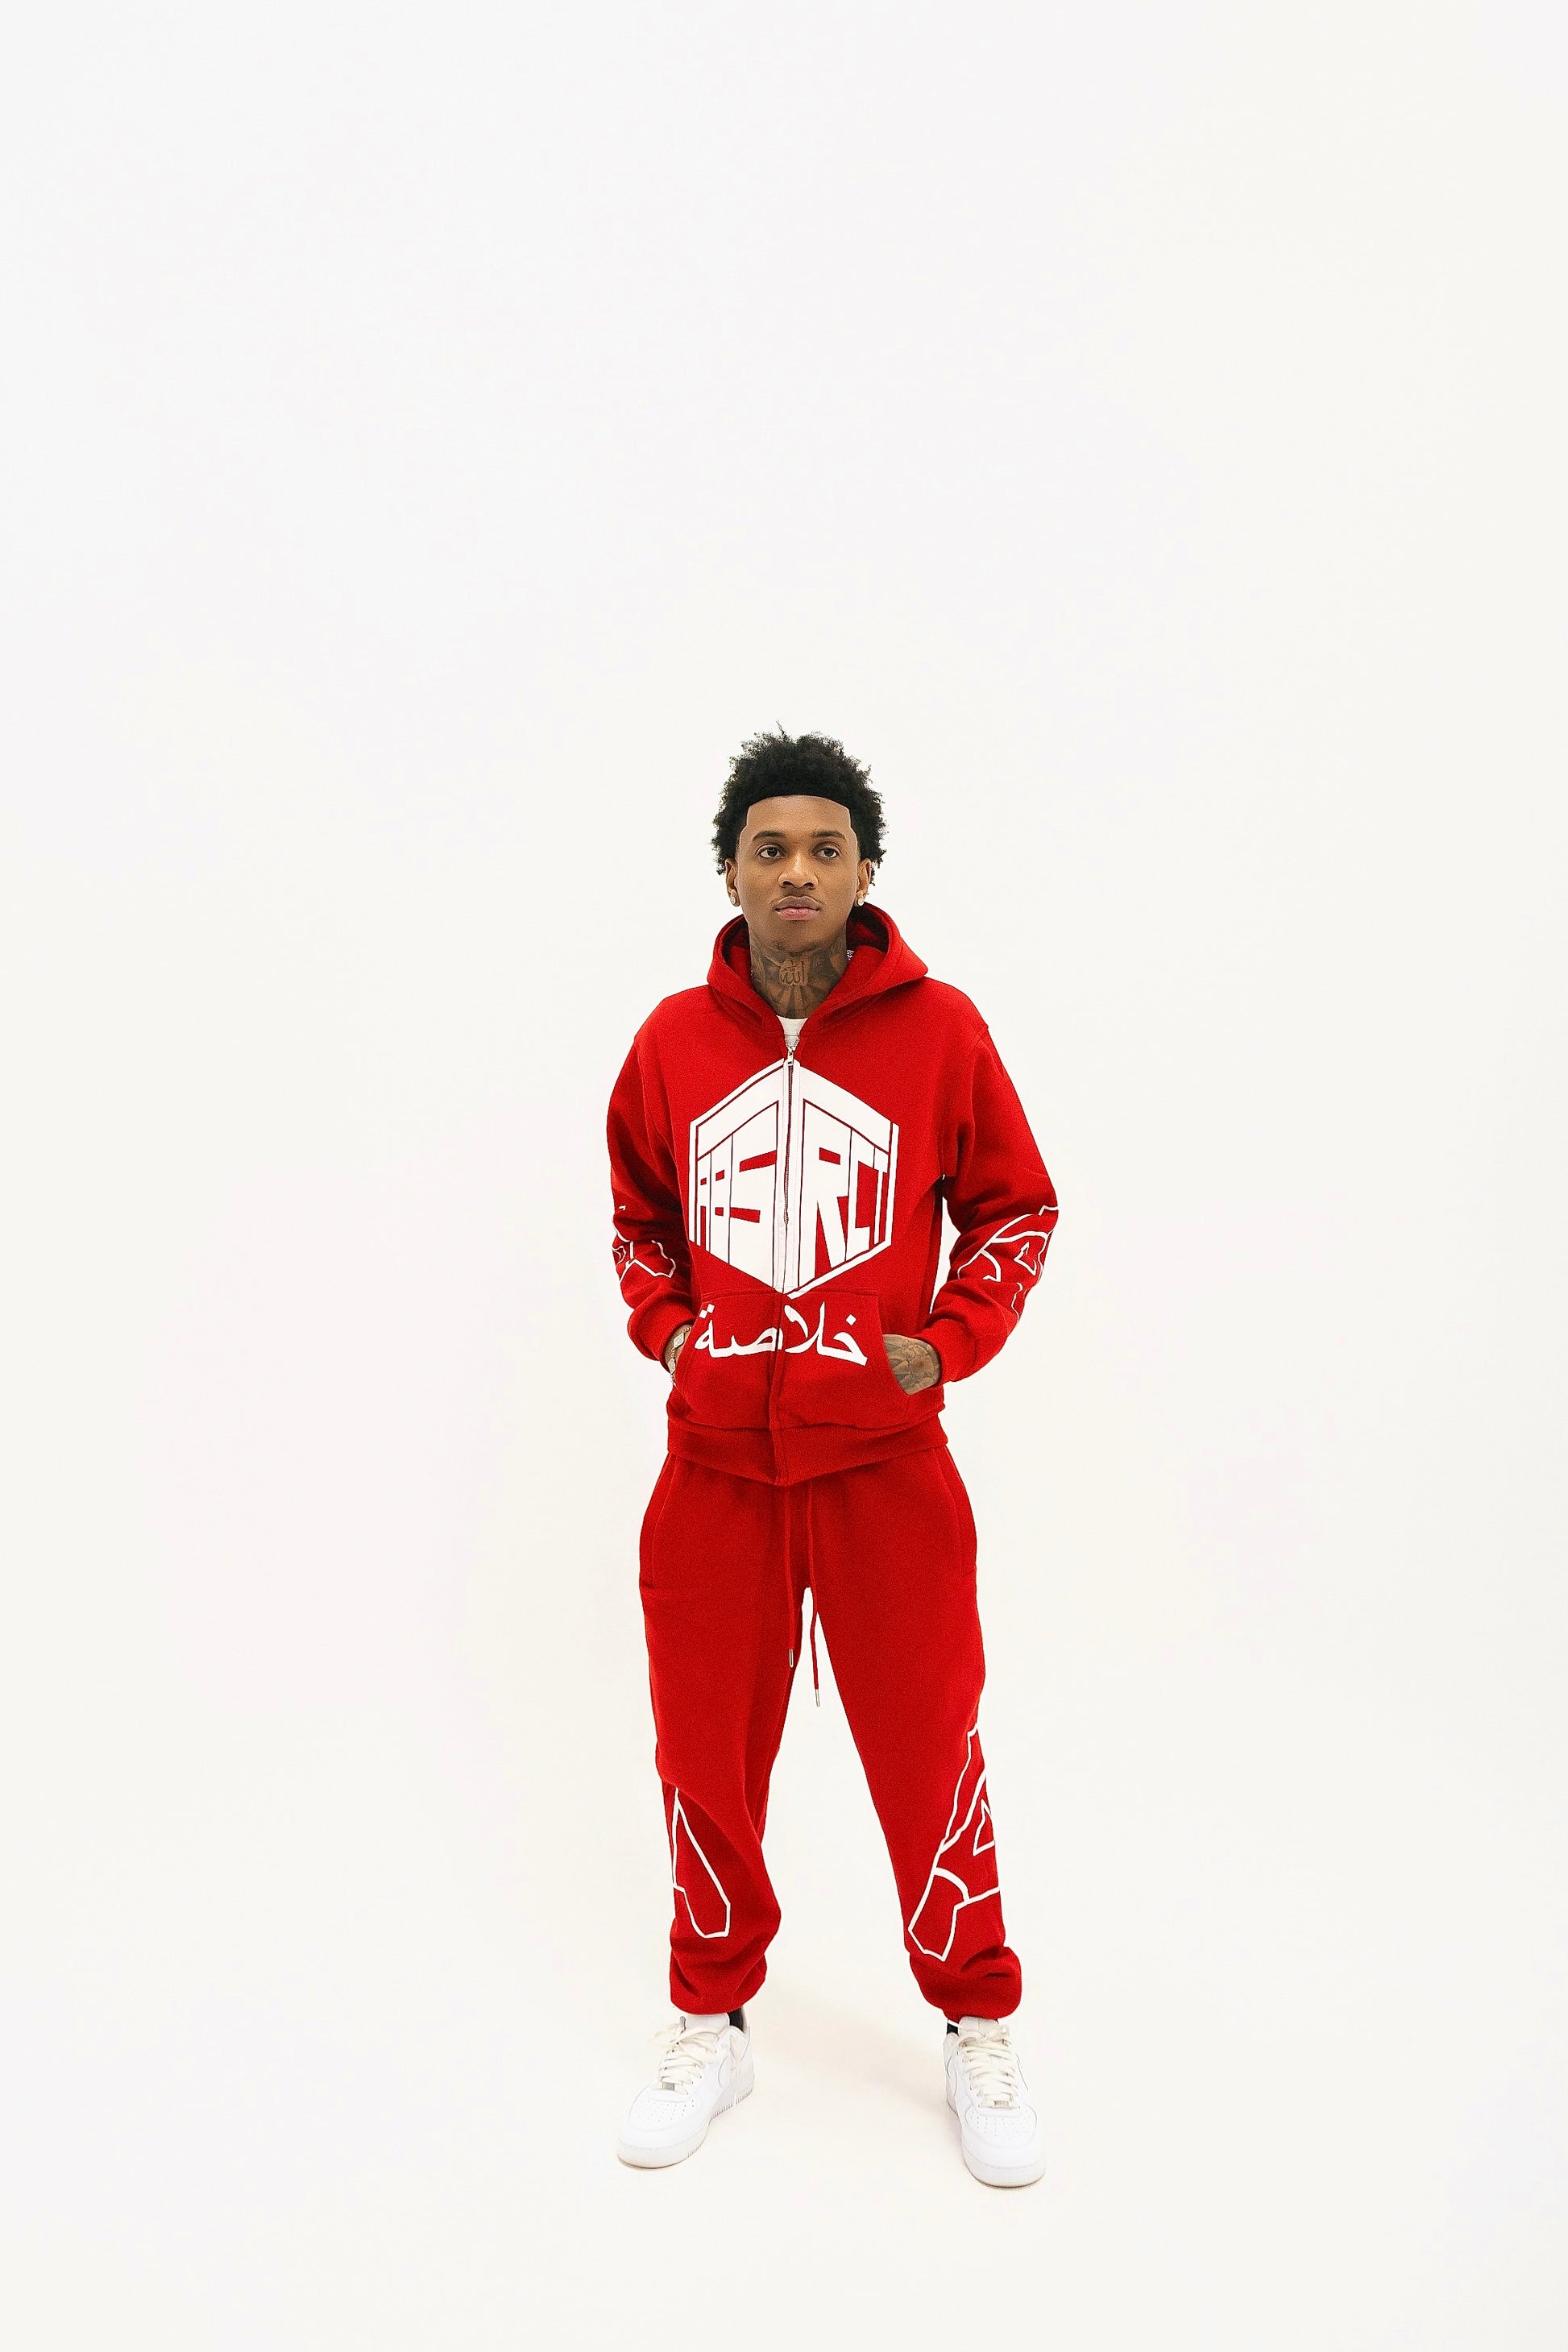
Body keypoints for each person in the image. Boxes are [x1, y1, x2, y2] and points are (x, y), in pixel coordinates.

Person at [605, 728, 1059, 2187]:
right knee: (703, 1759)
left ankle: (977, 2025)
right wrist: (674, 1338)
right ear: (729, 872)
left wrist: (944, 1344)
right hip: (713, 1479)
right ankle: (710, 2019)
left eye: (824, 848)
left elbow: (1015, 1210)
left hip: (885, 1476)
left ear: (865, 873)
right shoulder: (671, 1042)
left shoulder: (941, 1031)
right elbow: (638, 1220)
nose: (795, 870)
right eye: (769, 848)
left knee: (929, 1754)